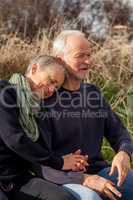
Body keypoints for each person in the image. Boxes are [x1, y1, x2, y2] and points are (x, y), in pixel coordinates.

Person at [39, 31, 133, 200]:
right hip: (62, 179)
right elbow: (40, 164)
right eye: (80, 56)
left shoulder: (93, 94)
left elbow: (119, 133)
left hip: (101, 171)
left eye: (89, 55)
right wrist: (84, 179)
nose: (88, 61)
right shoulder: (44, 99)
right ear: (59, 60)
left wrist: (124, 153)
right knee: (90, 198)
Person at [0, 54, 83, 200]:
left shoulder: (38, 110)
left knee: (63, 198)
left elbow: (43, 152)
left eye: (56, 87)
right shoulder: (5, 92)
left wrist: (72, 162)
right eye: (51, 81)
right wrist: (60, 162)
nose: (51, 89)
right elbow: (14, 139)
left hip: (19, 178)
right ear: (34, 69)